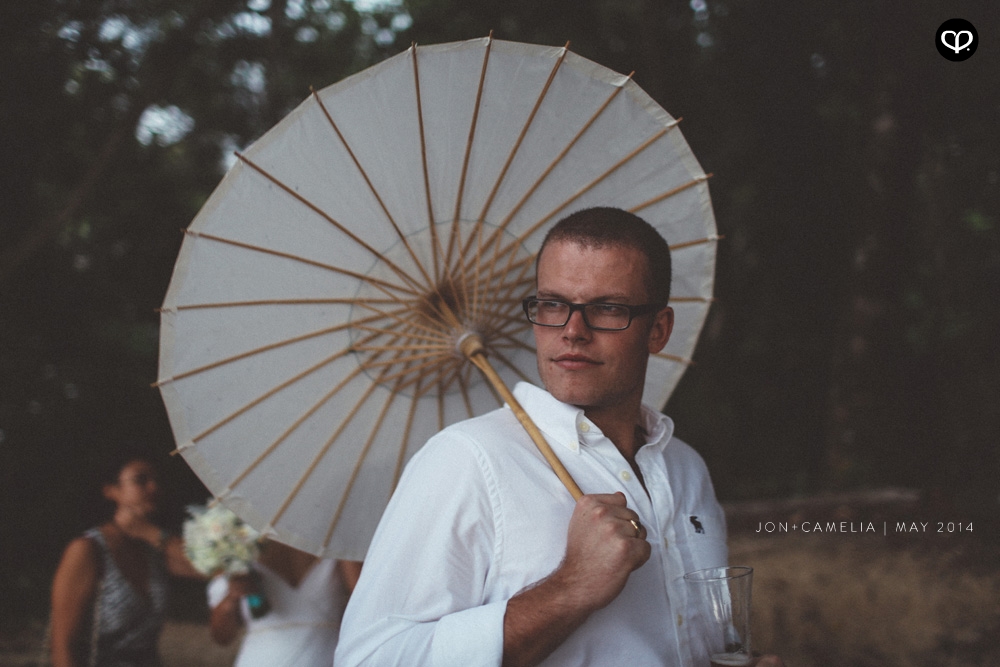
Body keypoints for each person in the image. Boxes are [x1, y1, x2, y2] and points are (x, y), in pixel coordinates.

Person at [336, 207, 784, 667]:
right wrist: (571, 587)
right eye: (553, 304)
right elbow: (369, 658)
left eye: (607, 309)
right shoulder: (467, 461)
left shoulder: (685, 467)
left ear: (659, 330)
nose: (572, 332)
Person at [49, 452, 202, 667]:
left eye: (156, 481)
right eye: (141, 480)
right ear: (111, 491)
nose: (153, 488)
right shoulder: (88, 550)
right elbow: (62, 643)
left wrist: (152, 534)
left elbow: (211, 569)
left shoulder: (155, 550)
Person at [207, 540, 361, 667]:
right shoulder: (242, 545)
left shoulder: (337, 544)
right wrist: (231, 599)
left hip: (323, 657)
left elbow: (362, 603)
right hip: (260, 660)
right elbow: (222, 637)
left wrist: (345, 547)